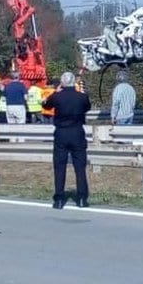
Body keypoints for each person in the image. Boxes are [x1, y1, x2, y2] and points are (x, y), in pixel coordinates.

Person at [46, 71, 92, 209]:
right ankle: (82, 199)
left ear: (62, 82)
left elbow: (46, 105)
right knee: (80, 167)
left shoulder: (57, 97)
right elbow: (87, 107)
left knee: (59, 166)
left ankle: (59, 199)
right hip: (77, 132)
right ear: (74, 82)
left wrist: (55, 92)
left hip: (61, 133)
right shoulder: (82, 97)